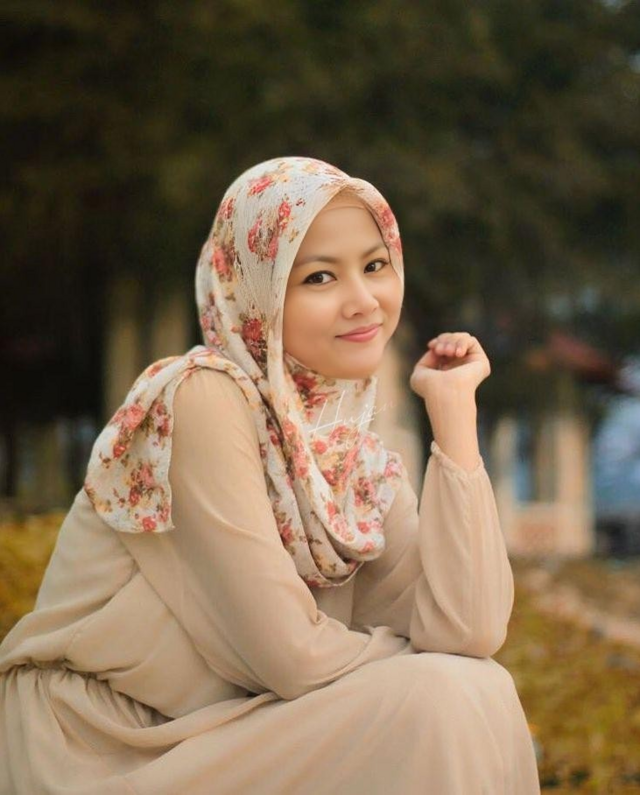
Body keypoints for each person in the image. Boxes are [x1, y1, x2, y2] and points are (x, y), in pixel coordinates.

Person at [0, 155, 541, 794]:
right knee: (442, 693)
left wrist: (454, 418)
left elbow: (471, 630)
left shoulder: (352, 461)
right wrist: (416, 655)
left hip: (226, 730)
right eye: (318, 277)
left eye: (375, 266)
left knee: (478, 684)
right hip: (96, 745)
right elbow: (289, 657)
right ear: (254, 293)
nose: (363, 300)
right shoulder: (201, 398)